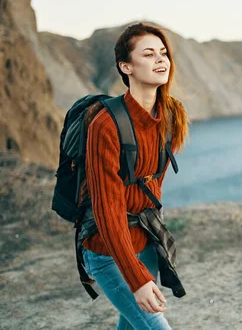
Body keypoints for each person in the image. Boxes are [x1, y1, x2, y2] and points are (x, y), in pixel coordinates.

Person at [80, 22, 188, 329]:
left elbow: (153, 186)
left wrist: (146, 257)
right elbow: (107, 209)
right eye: (149, 54)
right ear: (126, 67)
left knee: (132, 325)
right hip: (106, 251)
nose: (161, 60)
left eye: (164, 53)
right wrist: (136, 277)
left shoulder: (169, 115)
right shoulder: (105, 125)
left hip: (145, 242)